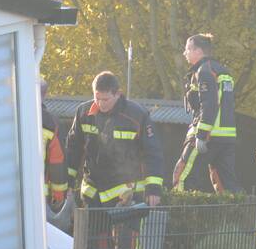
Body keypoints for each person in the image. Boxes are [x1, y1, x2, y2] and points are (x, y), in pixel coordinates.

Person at [66, 71, 165, 208]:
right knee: (93, 230)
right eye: (97, 98)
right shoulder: (83, 113)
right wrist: (67, 182)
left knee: (126, 230)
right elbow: (73, 150)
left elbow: (152, 152)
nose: (100, 104)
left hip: (126, 196)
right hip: (92, 194)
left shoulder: (137, 115)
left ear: (117, 94)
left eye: (105, 99)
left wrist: (153, 188)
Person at [173, 33, 242, 193]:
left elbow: (209, 104)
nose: (185, 53)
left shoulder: (204, 72)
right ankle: (236, 214)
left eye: (187, 49)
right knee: (226, 184)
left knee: (183, 177)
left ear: (198, 51)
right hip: (227, 137)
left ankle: (180, 216)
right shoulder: (224, 72)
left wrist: (201, 135)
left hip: (208, 135)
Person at [40, 79, 68, 210]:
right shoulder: (51, 123)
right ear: (44, 95)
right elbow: (57, 164)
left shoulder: (4, 116)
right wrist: (59, 198)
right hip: (38, 197)